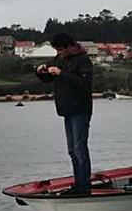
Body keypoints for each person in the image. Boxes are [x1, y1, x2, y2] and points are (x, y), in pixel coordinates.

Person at [36, 33, 94, 194]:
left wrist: (62, 73)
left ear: (70, 46)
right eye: (57, 50)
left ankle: (84, 185)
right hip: (66, 110)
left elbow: (83, 83)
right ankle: (78, 183)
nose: (59, 52)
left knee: (79, 148)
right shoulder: (59, 59)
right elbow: (50, 79)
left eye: (61, 49)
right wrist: (41, 73)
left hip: (81, 110)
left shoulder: (83, 60)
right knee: (72, 150)